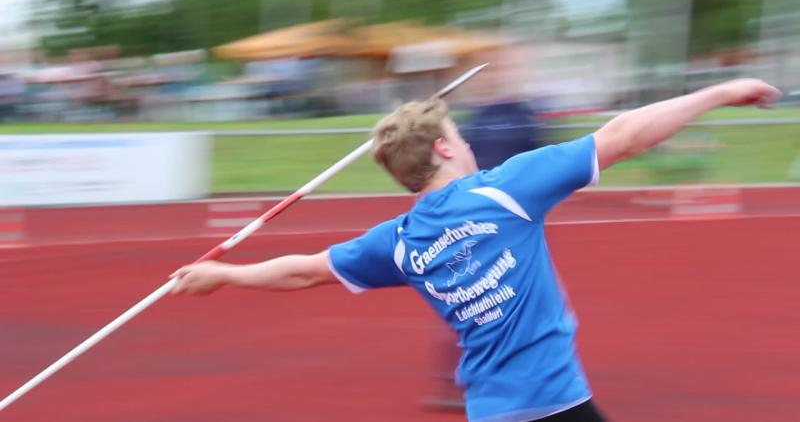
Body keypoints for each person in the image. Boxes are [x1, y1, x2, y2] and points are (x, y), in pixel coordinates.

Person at [171, 79, 779, 422]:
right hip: (553, 403)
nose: (465, 143)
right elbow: (623, 137)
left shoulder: (398, 242)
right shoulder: (505, 189)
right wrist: (722, 92)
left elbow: (305, 272)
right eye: (458, 136)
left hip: (488, 411)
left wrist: (225, 274)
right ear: (442, 149)